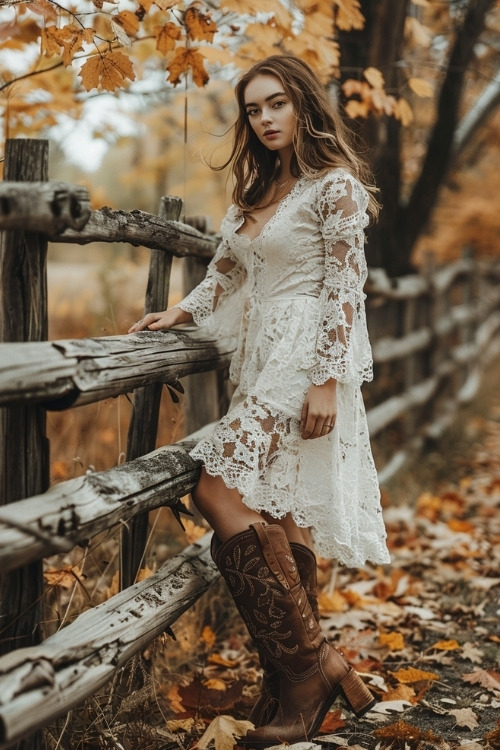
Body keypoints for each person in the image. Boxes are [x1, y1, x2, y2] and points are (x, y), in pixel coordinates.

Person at [129, 54, 390, 748]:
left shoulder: (332, 187)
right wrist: (179, 314)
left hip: (304, 355)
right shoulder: (257, 190)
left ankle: (306, 673)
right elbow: (223, 271)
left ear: (303, 104)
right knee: (278, 509)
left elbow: (344, 286)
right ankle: (300, 677)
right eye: (253, 109)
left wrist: (328, 377)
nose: (266, 118)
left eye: (277, 103)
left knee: (217, 489)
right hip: (262, 358)